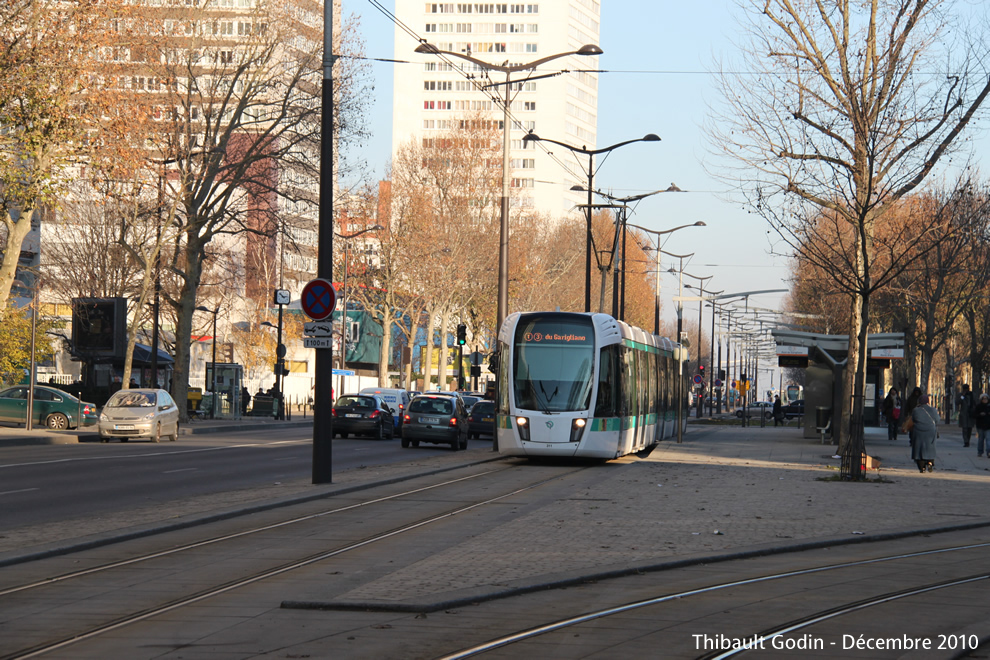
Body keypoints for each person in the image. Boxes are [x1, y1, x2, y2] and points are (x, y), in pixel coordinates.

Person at [909, 393, 939, 473]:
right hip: (930, 431)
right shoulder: (933, 410)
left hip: (919, 431)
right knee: (930, 447)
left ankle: (922, 467)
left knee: (919, 448)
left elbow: (914, 419)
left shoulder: (916, 410)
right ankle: (930, 462)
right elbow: (937, 420)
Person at [958, 383, 975, 447]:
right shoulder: (961, 395)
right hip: (964, 413)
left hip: (970, 413)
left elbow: (975, 402)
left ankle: (968, 440)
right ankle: (966, 441)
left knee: (969, 428)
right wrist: (962, 396)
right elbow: (957, 402)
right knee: (964, 428)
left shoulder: (972, 394)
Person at [974, 393, 990, 458]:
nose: (985, 400)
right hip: (980, 425)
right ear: (981, 399)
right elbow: (974, 415)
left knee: (988, 439)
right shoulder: (978, 406)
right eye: (983, 399)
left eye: (986, 399)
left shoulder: (989, 406)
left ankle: (988, 452)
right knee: (980, 439)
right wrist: (980, 415)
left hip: (988, 426)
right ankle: (980, 451)